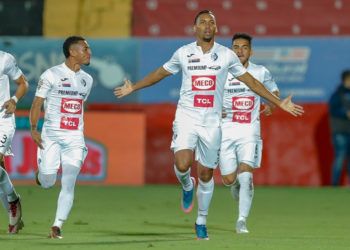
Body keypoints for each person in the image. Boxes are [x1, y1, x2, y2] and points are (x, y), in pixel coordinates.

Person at [114, 10, 303, 240]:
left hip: (212, 122)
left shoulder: (226, 56)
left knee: (206, 175)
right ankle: (186, 185)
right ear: (194, 28)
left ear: (216, 28)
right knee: (182, 163)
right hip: (187, 116)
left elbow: (252, 82)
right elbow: (160, 73)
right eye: (202, 22)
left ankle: (201, 220)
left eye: (211, 22)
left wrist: (277, 102)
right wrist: (134, 87)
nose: (207, 25)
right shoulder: (184, 53)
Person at [29, 36, 93, 239]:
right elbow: (37, 103)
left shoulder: (87, 80)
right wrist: (33, 128)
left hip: (74, 137)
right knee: (48, 181)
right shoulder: (51, 74)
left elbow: (80, 106)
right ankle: (41, 175)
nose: (89, 52)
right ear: (72, 52)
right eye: (85, 49)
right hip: (51, 135)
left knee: (69, 180)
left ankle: (57, 225)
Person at [219, 33, 280, 234]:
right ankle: (233, 183)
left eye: (244, 47)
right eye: (236, 47)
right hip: (225, 130)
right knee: (228, 179)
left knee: (246, 175)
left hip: (249, 130)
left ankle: (241, 221)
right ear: (231, 50)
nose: (240, 51)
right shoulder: (221, 72)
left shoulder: (260, 72)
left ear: (250, 51)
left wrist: (271, 104)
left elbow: (273, 91)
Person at [0, 51, 28, 234]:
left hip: (2, 119)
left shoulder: (4, 59)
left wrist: (14, 99)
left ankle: (13, 204)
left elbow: (23, 83)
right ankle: (13, 201)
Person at [329, 70, 350, 186]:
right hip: (340, 131)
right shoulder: (338, 93)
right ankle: (335, 184)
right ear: (346, 80)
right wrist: (345, 113)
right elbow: (333, 109)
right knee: (340, 157)